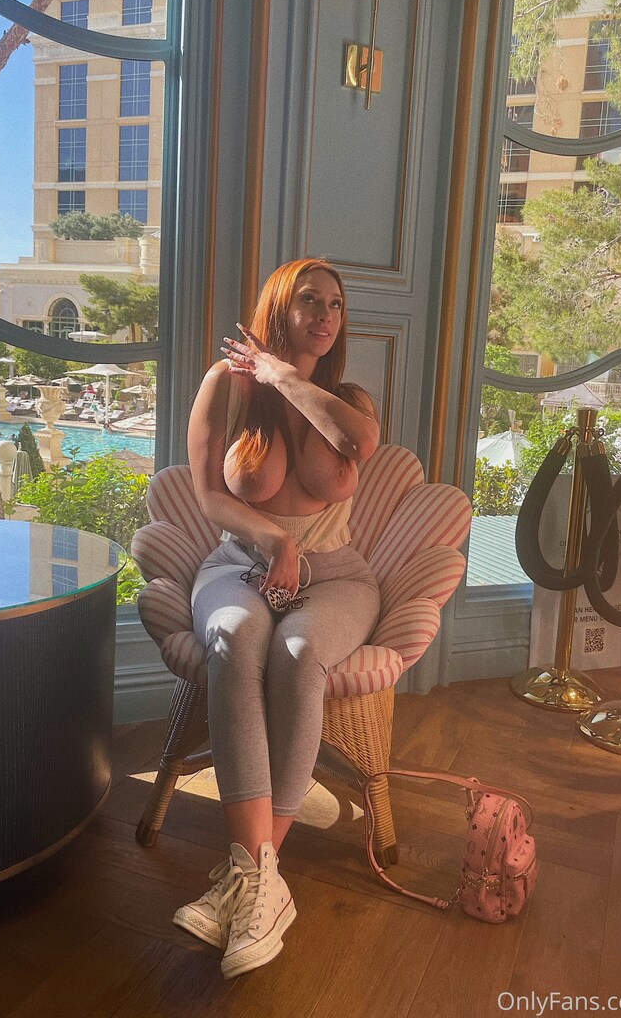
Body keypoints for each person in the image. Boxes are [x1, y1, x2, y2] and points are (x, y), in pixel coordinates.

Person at [178, 258, 381, 979]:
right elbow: (207, 494)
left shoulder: (347, 399)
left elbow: (361, 445)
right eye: (309, 301)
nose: (325, 315)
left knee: (298, 651)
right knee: (234, 637)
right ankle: (259, 884)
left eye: (335, 305)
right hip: (240, 563)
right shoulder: (224, 386)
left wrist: (284, 375)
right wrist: (273, 539)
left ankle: (251, 880)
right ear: (277, 307)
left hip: (337, 577)